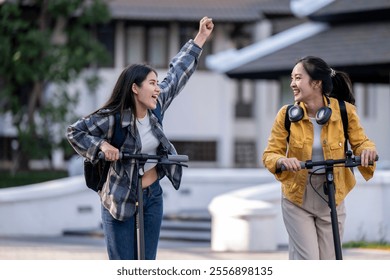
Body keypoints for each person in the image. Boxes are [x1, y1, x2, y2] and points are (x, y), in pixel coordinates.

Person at [66, 17, 214, 260]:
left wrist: (200, 38)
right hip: (118, 198)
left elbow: (177, 73)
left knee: (146, 265)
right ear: (135, 88)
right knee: (124, 267)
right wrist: (102, 145)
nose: (158, 88)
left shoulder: (156, 107)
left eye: (157, 83)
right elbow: (75, 132)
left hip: (152, 196)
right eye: (152, 83)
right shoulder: (112, 118)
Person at [262, 56, 378, 260]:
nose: (292, 84)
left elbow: (361, 143)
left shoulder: (344, 112)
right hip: (297, 195)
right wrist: (282, 161)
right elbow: (270, 153)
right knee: (308, 260)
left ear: (316, 83)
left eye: (297, 78)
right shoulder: (286, 115)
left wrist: (367, 151)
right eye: (292, 78)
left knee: (330, 260)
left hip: (332, 194)